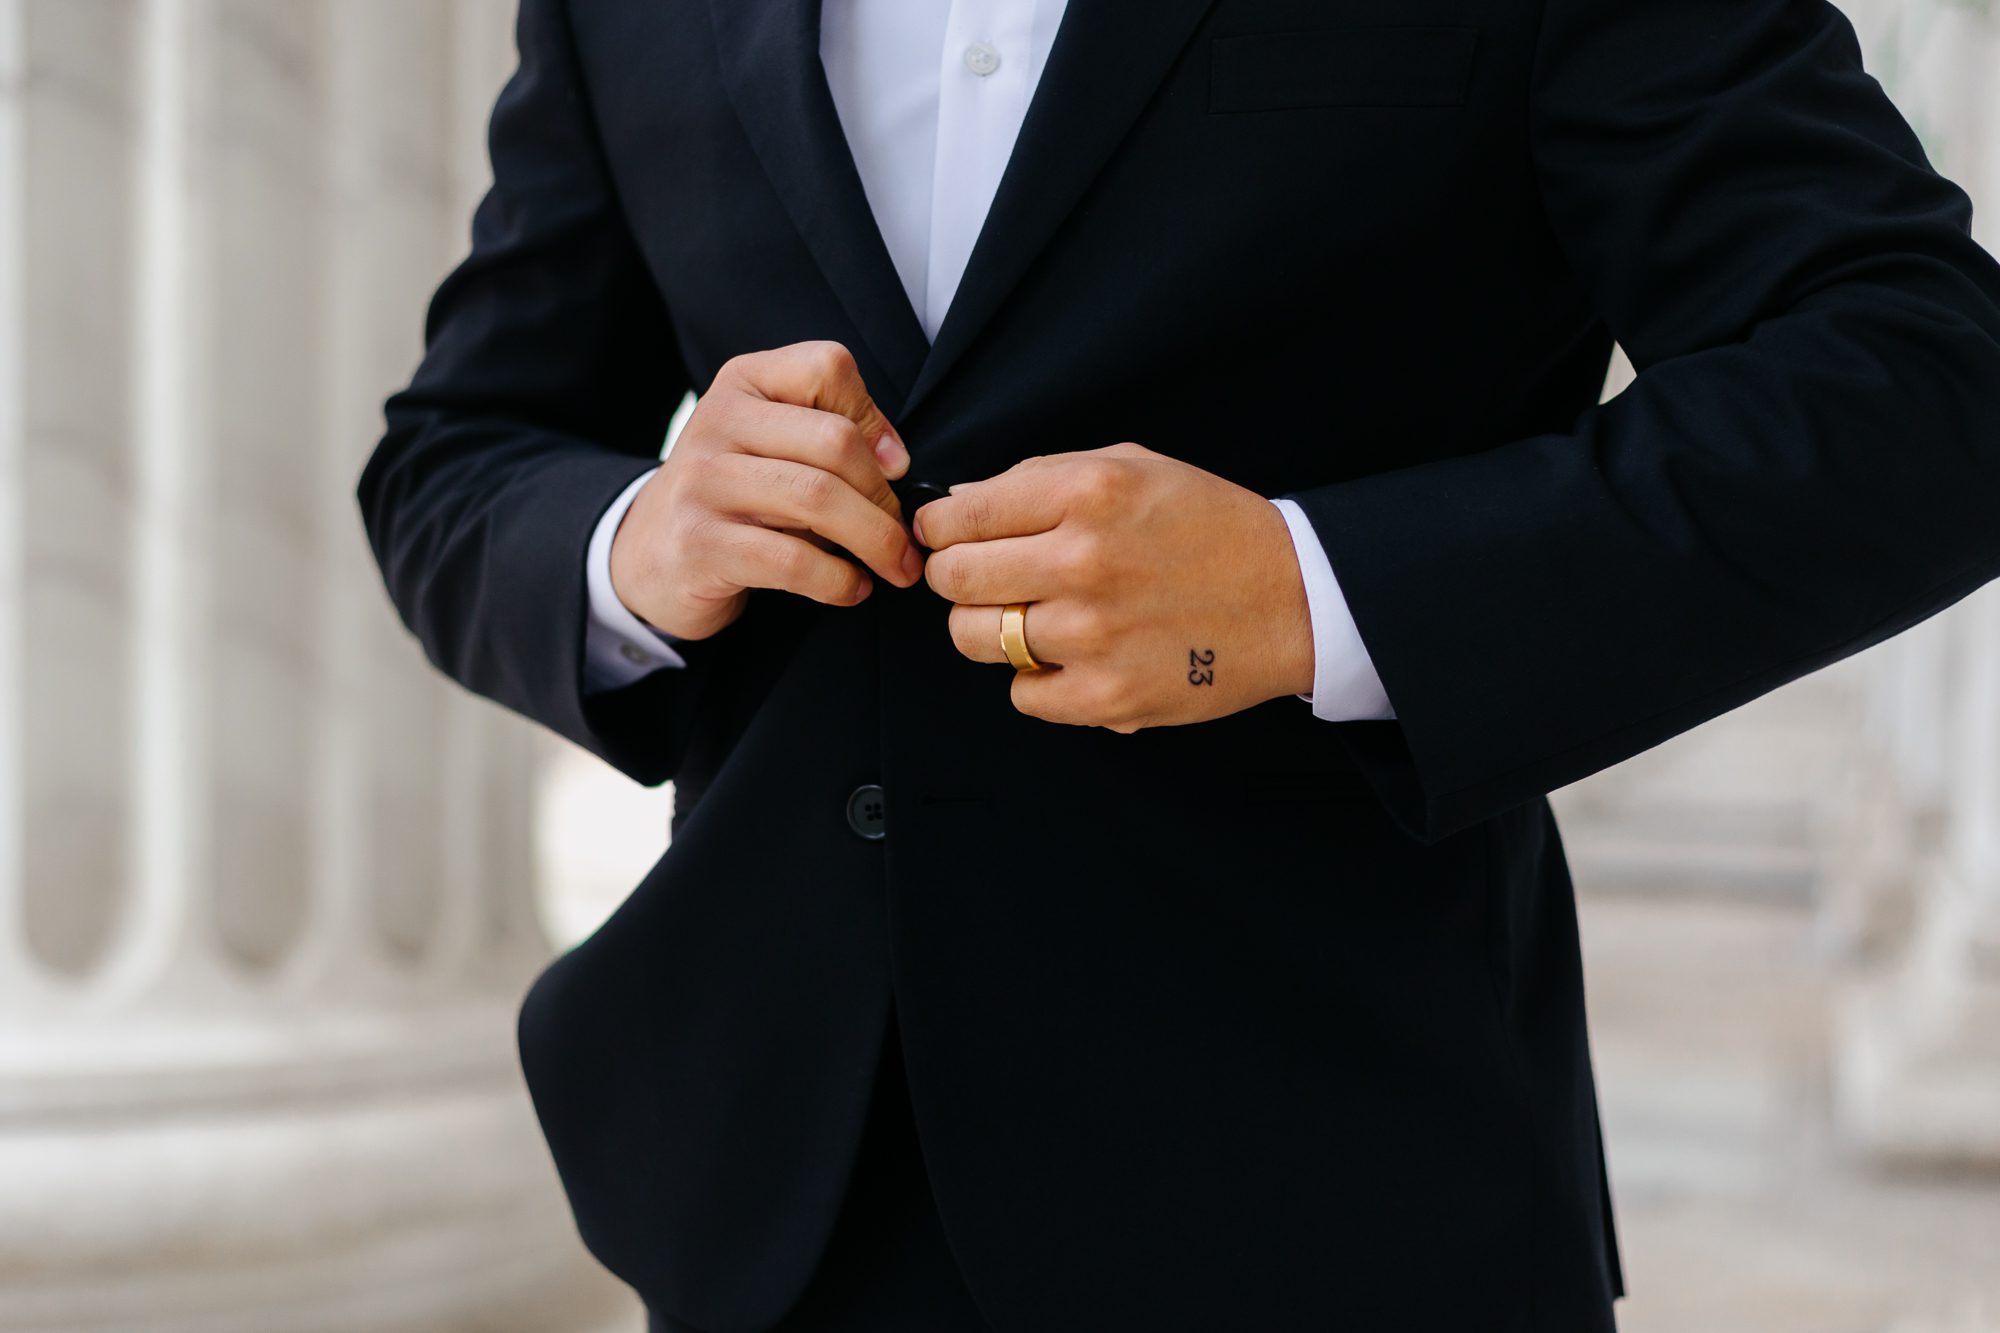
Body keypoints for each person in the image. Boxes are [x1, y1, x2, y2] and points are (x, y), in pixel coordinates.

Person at [356, 1, 2000, 1329]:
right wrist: (637, 539)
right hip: (778, 1204)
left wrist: (1307, 590)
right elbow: (455, 454)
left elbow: (1930, 384)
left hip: (1337, 1187)